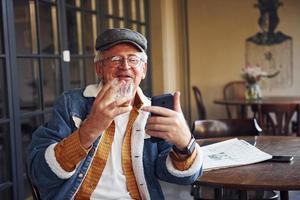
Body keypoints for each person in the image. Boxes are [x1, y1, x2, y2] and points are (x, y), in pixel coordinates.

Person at [27, 28, 203, 200]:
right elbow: (39, 173)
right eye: (116, 59)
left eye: (133, 60)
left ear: (144, 70)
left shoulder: (153, 112)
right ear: (99, 68)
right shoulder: (71, 103)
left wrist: (184, 145)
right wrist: (88, 131)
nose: (125, 66)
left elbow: (182, 177)